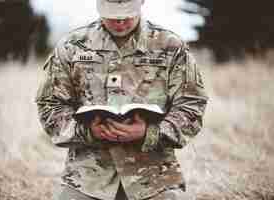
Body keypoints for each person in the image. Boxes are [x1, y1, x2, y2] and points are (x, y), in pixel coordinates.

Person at [35, 0, 208, 199]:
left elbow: (192, 104)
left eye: (127, 15)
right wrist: (87, 131)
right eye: (113, 16)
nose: (120, 23)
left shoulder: (171, 47)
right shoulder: (72, 47)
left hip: (155, 178)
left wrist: (150, 132)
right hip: (86, 179)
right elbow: (50, 105)